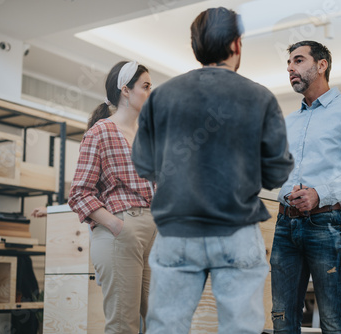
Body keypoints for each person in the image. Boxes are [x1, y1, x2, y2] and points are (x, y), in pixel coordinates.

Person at [131, 7, 294, 334]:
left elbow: (144, 164)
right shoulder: (259, 97)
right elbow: (277, 173)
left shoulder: (160, 97)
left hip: (176, 231)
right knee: (241, 328)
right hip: (236, 230)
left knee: (165, 328)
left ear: (196, 47)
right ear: (236, 45)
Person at [270, 40, 341, 334]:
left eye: (299, 60)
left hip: (326, 226)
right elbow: (278, 171)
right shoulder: (288, 122)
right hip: (284, 226)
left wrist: (320, 193)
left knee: (331, 320)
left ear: (322, 65)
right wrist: (284, 190)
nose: (291, 69)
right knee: (282, 319)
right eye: (289, 64)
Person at [68, 60, 156, 334]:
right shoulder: (100, 132)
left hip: (155, 234)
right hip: (121, 230)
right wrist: (118, 225)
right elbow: (80, 193)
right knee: (123, 326)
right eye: (145, 86)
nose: (150, 92)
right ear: (125, 90)